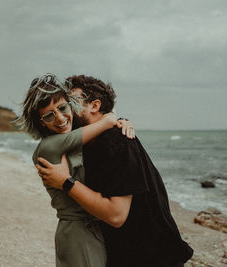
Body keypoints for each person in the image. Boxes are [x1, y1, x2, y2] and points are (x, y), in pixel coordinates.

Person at [36, 75, 194, 267]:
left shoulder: (116, 142)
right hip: (128, 253)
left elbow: (116, 215)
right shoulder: (91, 142)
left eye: (72, 101)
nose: (67, 108)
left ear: (94, 106)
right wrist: (114, 118)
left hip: (153, 256)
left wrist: (66, 182)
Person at [19, 74, 134, 267]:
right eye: (49, 115)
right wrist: (112, 120)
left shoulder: (69, 139)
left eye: (63, 108)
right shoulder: (49, 147)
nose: (60, 118)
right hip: (77, 233)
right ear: (41, 122)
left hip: (87, 229)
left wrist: (122, 122)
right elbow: (100, 126)